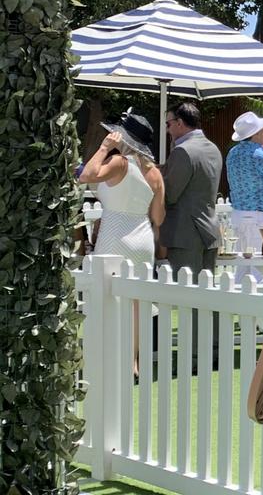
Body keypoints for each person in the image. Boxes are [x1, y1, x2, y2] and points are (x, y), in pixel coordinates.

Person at [79, 110, 165, 376]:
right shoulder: (155, 174)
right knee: (137, 302)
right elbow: (158, 217)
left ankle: (105, 355)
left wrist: (105, 146)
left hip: (115, 234)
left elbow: (87, 175)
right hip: (143, 238)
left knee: (106, 295)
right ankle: (133, 361)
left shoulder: (119, 163)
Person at [159, 102, 223, 277]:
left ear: (179, 122)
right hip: (209, 233)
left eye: (168, 124)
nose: (167, 129)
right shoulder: (213, 148)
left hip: (184, 236)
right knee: (204, 297)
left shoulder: (182, 151)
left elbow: (169, 195)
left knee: (184, 298)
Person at [226, 111, 263, 257]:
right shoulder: (259, 155)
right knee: (256, 266)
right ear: (258, 133)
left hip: (238, 213)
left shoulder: (232, 153)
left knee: (242, 265)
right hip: (258, 216)